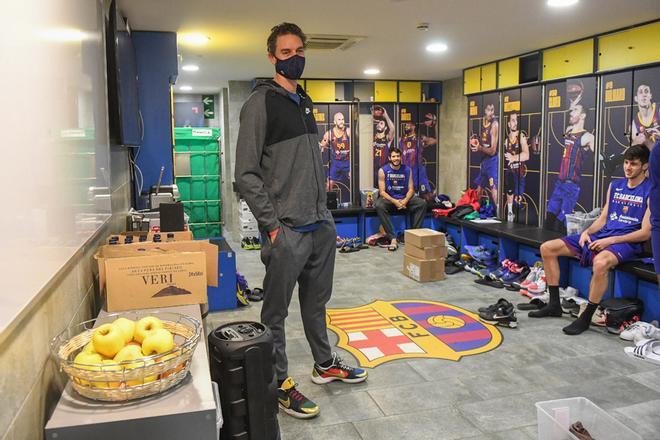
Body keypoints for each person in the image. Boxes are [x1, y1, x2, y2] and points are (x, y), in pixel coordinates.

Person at [235, 22, 366, 420]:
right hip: (287, 230)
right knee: (275, 314)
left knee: (317, 304)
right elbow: (246, 173)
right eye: (286, 53)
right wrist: (274, 227)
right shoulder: (261, 103)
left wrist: (324, 217)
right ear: (272, 57)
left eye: (299, 51)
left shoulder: (305, 101)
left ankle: (324, 364)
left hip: (319, 227)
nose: (294, 58)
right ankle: (278, 385)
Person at [530, 145, 651, 335]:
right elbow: (603, 218)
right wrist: (587, 232)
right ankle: (554, 304)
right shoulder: (616, 185)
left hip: (626, 242)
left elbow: (645, 233)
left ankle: (586, 317)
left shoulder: (651, 190)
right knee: (548, 248)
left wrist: (610, 241)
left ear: (645, 166)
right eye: (626, 163)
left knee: (601, 263)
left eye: (634, 164)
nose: (628, 167)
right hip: (603, 236)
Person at [544, 104, 595, 232]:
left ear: (583, 115)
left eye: (575, 110)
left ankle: (561, 250)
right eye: (571, 110)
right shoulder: (568, 130)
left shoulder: (588, 137)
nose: (571, 112)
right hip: (559, 184)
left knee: (562, 224)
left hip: (571, 186)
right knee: (548, 220)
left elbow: (599, 157)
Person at [375, 148, 427, 251]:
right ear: (390, 158)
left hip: (404, 199)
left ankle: (413, 236)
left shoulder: (407, 169)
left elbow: (411, 189)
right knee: (379, 205)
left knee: (422, 204)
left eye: (398, 156)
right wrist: (395, 202)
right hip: (389, 200)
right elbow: (382, 192)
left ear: (400, 157)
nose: (396, 158)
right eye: (393, 156)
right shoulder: (383, 170)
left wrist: (405, 201)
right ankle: (392, 238)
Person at [470, 102, 499, 208]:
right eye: (488, 110)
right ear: (484, 111)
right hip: (484, 160)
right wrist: (475, 143)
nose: (491, 113)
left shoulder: (495, 125)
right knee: (479, 189)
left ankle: (500, 215)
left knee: (494, 189)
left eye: (492, 110)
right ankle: (475, 211)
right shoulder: (482, 121)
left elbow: (492, 151)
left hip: (492, 161)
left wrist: (480, 148)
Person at [503, 113, 530, 222]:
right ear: (509, 124)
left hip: (520, 172)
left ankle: (517, 209)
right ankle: (510, 212)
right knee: (509, 189)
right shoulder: (506, 140)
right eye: (513, 120)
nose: (516, 123)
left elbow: (527, 155)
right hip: (511, 172)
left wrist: (513, 157)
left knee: (518, 199)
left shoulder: (521, 136)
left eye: (516, 120)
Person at [399, 122, 436, 199]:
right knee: (406, 196)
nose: (406, 126)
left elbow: (435, 141)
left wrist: (434, 124)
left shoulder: (420, 138)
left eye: (409, 124)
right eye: (406, 125)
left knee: (426, 195)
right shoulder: (401, 139)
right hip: (406, 171)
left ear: (414, 126)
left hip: (418, 171)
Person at [320, 111, 351, 196]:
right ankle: (327, 204)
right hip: (336, 164)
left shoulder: (348, 131)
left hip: (347, 163)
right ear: (334, 122)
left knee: (355, 181)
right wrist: (320, 146)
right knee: (329, 185)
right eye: (339, 119)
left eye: (343, 119)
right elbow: (322, 146)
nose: (341, 121)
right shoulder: (329, 134)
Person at [372, 105, 395, 187]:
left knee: (384, 192)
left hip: (383, 170)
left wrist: (386, 115)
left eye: (381, 123)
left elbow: (392, 128)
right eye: (378, 123)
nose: (379, 125)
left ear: (385, 128)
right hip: (372, 170)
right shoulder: (371, 137)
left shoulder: (387, 139)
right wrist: (370, 116)